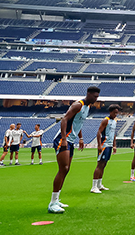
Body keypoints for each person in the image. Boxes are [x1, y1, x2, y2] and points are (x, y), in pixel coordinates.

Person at [48, 86, 101, 214]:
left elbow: (78, 124)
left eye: (97, 97)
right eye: (94, 96)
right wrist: (64, 139)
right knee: (63, 169)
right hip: (63, 139)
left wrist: (81, 138)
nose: (96, 99)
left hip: (71, 140)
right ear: (88, 94)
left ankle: (57, 199)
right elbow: (64, 119)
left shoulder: (87, 108)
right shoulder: (78, 105)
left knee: (66, 170)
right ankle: (52, 203)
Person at [91, 104, 120, 194]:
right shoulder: (105, 120)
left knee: (104, 165)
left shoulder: (114, 121)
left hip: (110, 145)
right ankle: (94, 186)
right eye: (115, 113)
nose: (116, 114)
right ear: (110, 112)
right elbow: (99, 132)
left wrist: (114, 145)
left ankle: (99, 184)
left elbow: (114, 134)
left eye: (117, 113)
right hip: (104, 145)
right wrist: (99, 145)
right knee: (99, 165)